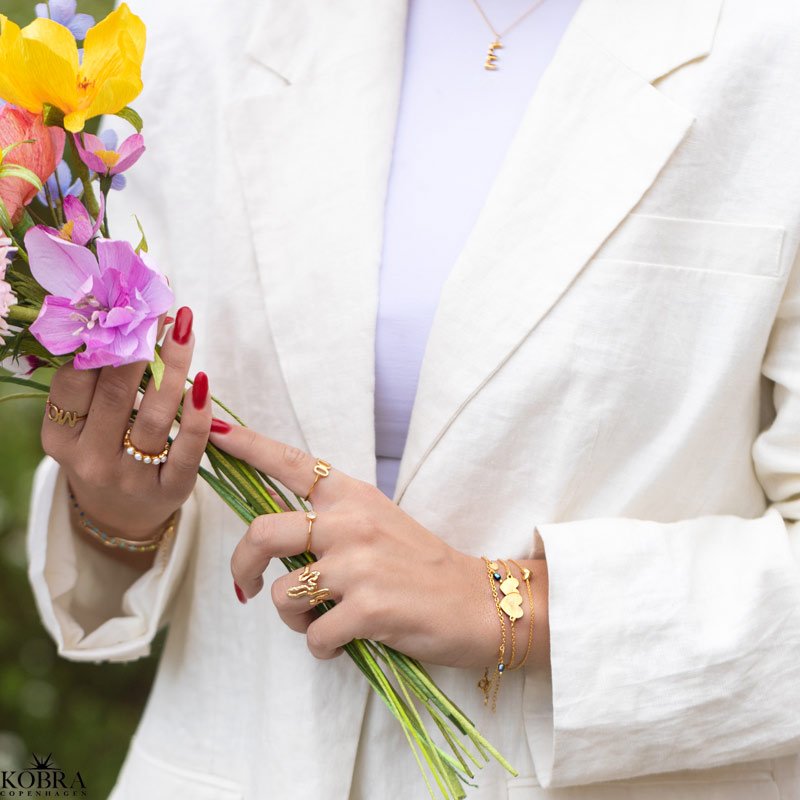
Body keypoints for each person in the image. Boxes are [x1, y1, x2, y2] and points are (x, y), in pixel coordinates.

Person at [25, 0, 800, 797]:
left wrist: (511, 606)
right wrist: (115, 516)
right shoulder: (192, 30)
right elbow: (124, 548)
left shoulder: (775, 48)